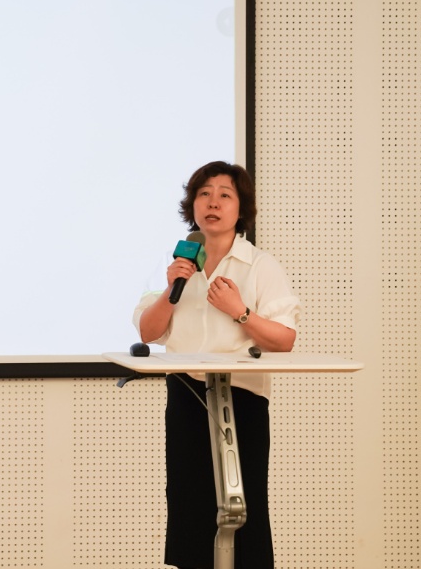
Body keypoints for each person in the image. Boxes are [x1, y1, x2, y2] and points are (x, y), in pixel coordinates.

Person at [132, 161, 300, 569]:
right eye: (204, 194)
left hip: (242, 397)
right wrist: (171, 288)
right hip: (187, 394)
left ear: (241, 209)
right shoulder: (176, 263)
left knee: (243, 502)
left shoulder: (259, 265)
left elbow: (284, 340)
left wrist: (239, 311)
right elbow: (149, 332)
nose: (213, 203)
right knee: (189, 503)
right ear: (192, 205)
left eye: (225, 195)